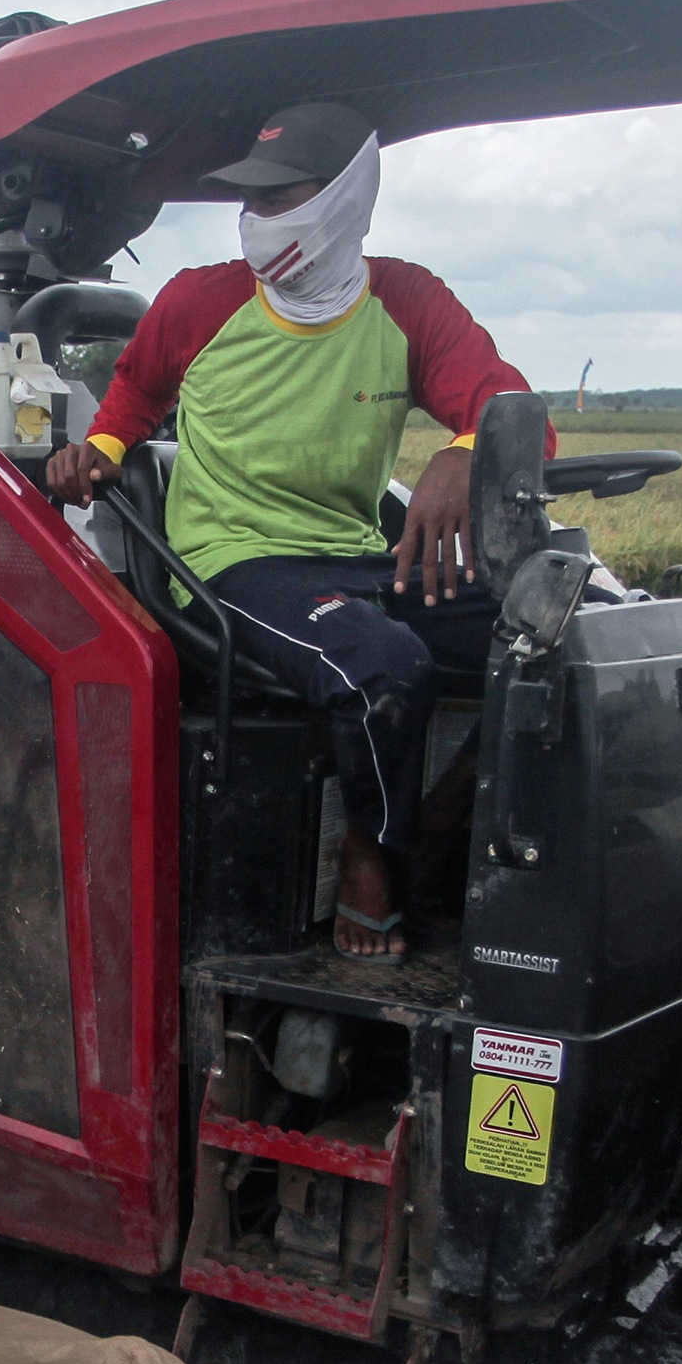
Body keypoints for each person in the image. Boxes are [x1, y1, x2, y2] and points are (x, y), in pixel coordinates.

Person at [43, 100, 529, 960]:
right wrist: (105, 447)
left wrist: (464, 451)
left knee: (540, 637)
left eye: (280, 200)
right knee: (387, 668)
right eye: (250, 203)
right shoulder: (201, 301)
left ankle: (444, 832)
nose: (257, 222)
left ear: (345, 198)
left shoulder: (408, 300)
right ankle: (372, 854)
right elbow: (137, 390)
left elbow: (503, 404)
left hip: (350, 556)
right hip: (236, 560)